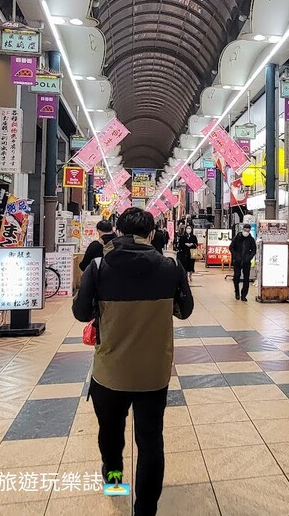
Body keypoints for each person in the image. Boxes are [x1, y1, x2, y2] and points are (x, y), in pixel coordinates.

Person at [72, 208, 193, 516]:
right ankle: (146, 510)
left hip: (110, 374)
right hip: (154, 373)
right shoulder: (171, 266)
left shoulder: (98, 267)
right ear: (151, 234)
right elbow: (184, 310)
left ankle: (114, 483)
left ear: (117, 230)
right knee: (151, 441)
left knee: (111, 437)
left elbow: (81, 313)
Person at [229, 223, 257, 301]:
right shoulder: (237, 237)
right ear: (243, 229)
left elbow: (254, 250)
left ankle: (244, 295)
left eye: (247, 231)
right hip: (237, 261)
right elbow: (231, 247)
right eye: (245, 230)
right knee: (236, 277)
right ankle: (237, 291)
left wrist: (249, 258)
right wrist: (235, 256)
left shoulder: (251, 239)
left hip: (246, 262)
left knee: (246, 279)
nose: (246, 232)